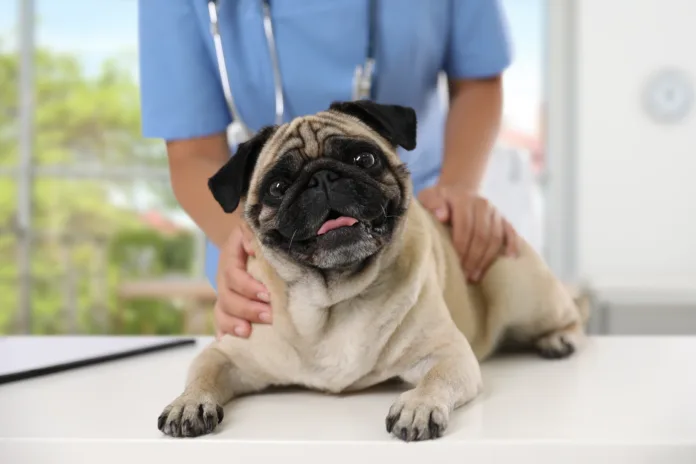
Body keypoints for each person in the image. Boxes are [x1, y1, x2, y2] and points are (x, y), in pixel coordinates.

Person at [138, 0, 520, 339]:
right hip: (277, 249)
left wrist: (458, 187)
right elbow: (193, 152)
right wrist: (244, 245)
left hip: (422, 215)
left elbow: (477, 79)